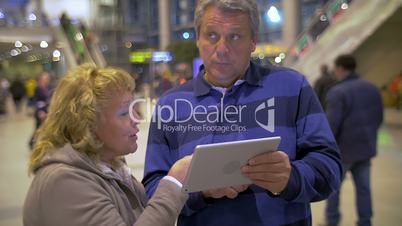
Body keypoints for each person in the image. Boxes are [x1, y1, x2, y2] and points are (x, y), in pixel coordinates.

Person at [142, 1, 342, 225]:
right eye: (211, 35)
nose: (222, 49)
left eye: (235, 36)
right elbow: (151, 191)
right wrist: (200, 192)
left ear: (253, 41)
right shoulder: (172, 104)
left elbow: (330, 167)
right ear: (198, 38)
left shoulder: (292, 88)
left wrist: (291, 178)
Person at [23, 64, 192, 226]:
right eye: (125, 113)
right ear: (87, 124)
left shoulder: (110, 166)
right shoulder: (64, 182)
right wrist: (173, 184)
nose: (137, 119)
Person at [323, 55, 383, 226]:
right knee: (364, 189)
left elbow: (331, 126)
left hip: (343, 152)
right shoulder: (372, 88)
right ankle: (365, 222)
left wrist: (326, 150)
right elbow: (378, 117)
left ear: (340, 68)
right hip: (366, 149)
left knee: (333, 189)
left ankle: (332, 221)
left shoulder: (338, 92)